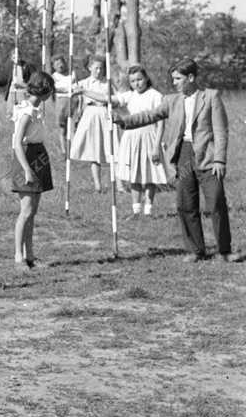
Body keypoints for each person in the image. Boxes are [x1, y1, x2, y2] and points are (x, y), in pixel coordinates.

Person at [115, 58, 234, 262]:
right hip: (183, 155)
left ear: (190, 77)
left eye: (178, 78)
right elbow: (150, 115)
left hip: (207, 156)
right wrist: (123, 121)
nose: (174, 83)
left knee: (216, 202)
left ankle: (225, 251)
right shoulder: (172, 100)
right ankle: (196, 251)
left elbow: (221, 131)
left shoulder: (211, 97)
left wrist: (220, 160)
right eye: (173, 79)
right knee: (186, 204)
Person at [11, 70, 55, 268]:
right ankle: (18, 256)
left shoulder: (35, 110)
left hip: (39, 155)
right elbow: (17, 143)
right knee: (25, 211)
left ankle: (30, 255)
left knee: (33, 211)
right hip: (27, 159)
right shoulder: (27, 112)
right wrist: (27, 170)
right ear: (45, 91)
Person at [113, 64, 168, 216]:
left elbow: (161, 123)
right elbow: (111, 100)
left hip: (150, 136)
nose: (137, 83)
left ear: (146, 79)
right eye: (133, 81)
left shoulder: (155, 95)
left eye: (139, 79)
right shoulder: (130, 95)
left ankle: (148, 209)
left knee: (150, 173)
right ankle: (136, 210)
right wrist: (85, 92)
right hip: (131, 138)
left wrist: (157, 146)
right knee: (134, 174)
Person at [68, 55, 113, 192]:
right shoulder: (84, 82)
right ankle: (97, 184)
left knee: (111, 149)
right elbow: (69, 92)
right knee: (94, 152)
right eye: (96, 68)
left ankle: (118, 184)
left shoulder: (108, 83)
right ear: (89, 68)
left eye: (101, 68)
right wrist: (72, 89)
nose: (99, 71)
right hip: (90, 115)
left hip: (105, 114)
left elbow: (113, 98)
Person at [51, 55, 75, 152]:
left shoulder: (71, 74)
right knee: (62, 127)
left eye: (61, 63)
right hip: (60, 103)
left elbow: (75, 86)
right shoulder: (54, 77)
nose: (60, 65)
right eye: (57, 64)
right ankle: (63, 149)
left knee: (72, 127)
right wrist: (65, 89)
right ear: (54, 66)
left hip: (72, 102)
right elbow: (54, 89)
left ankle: (73, 148)